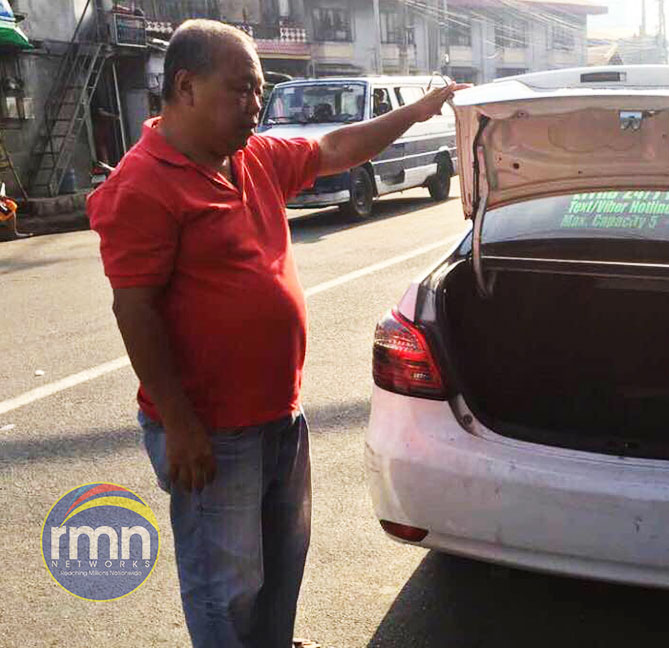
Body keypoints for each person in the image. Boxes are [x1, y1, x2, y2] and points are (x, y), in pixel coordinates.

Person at [87, 20, 465, 648]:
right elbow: (136, 311)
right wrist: (179, 424)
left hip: (278, 417)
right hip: (210, 430)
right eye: (241, 90)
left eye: (259, 90)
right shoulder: (143, 184)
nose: (255, 105)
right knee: (225, 586)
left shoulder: (253, 158)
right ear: (185, 87)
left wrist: (419, 112)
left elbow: (341, 147)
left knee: (282, 564)